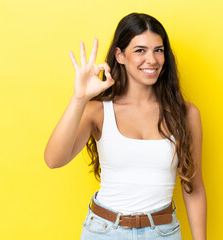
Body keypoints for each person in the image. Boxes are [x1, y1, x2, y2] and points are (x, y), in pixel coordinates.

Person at [44, 13, 206, 240]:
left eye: (158, 50)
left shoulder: (186, 114)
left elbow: (193, 187)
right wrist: (79, 99)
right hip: (104, 231)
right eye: (140, 50)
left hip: (163, 232)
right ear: (120, 55)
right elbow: (54, 160)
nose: (152, 59)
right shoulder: (97, 111)